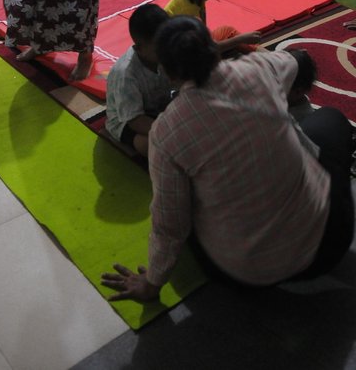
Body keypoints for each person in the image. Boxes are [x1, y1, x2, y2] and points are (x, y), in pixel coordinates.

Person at [101, 17, 354, 301]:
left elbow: (170, 225)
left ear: (169, 74)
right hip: (331, 242)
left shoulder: (166, 131)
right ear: (213, 49)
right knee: (330, 120)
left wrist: (151, 284)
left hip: (249, 275)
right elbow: (295, 61)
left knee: (186, 204)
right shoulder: (258, 69)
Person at [105, 4, 172, 157]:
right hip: (128, 121)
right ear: (140, 48)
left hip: (158, 109)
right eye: (159, 46)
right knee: (148, 144)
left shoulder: (164, 54)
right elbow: (135, 120)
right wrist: (168, 131)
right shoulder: (126, 73)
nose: (166, 49)